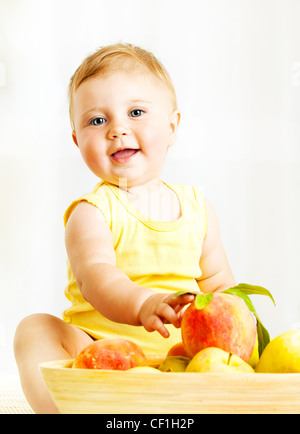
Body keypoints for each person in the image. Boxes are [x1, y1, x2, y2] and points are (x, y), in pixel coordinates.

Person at [14, 43, 235, 413]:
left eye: (136, 112)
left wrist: (239, 332)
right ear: (77, 141)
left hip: (181, 359)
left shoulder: (199, 210)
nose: (118, 129)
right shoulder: (92, 211)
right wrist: (142, 304)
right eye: (97, 121)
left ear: (171, 126)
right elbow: (97, 277)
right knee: (35, 329)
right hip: (97, 355)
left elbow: (221, 286)